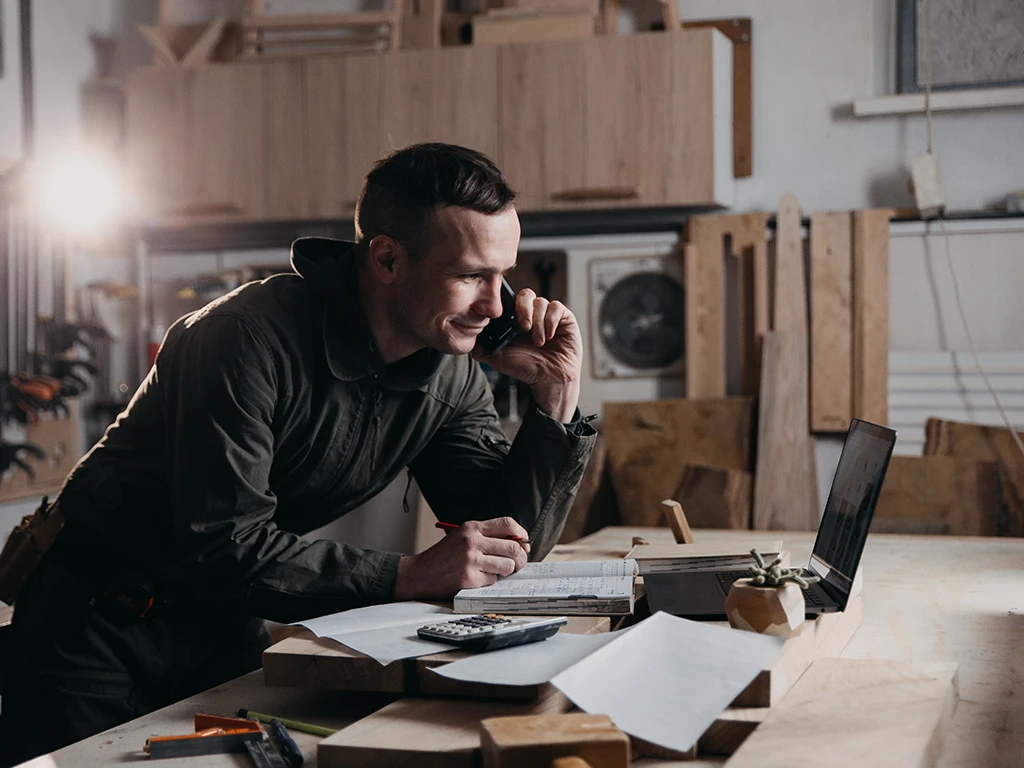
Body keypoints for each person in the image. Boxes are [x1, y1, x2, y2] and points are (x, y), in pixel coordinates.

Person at [0, 143, 596, 763]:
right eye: (471, 275)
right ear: (388, 258)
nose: (497, 306)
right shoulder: (242, 339)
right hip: (93, 622)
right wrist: (409, 574)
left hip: (223, 620)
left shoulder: (452, 377)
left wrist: (555, 400)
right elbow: (224, 543)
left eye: (504, 275)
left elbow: (505, 545)